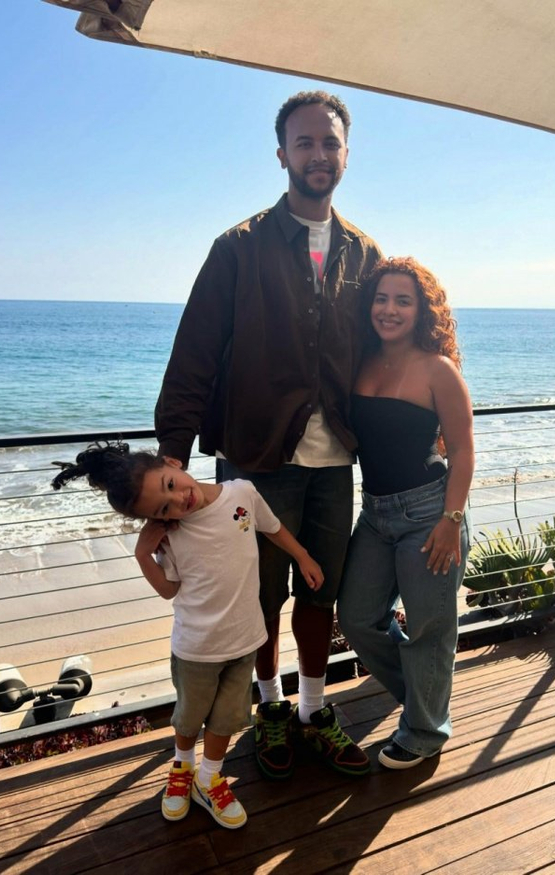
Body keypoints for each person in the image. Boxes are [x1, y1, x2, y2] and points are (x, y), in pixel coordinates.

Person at [155, 91, 382, 779]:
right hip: (254, 456)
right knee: (256, 598)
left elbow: (385, 352)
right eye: (304, 142)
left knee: (320, 591)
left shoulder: (364, 253)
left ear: (346, 154)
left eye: (329, 142)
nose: (318, 154)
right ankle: (271, 707)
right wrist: (172, 461)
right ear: (282, 154)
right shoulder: (238, 247)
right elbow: (194, 354)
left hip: (334, 460)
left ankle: (313, 709)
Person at [51, 441, 323, 828]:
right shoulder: (172, 535)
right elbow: (169, 589)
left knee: (226, 720)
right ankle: (182, 768)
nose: (179, 499)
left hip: (245, 640)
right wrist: (143, 556)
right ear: (156, 519)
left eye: (170, 484)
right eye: (164, 508)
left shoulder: (241, 494)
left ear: (171, 463)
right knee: (189, 719)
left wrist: (303, 556)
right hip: (196, 649)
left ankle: (208, 779)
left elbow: (273, 527)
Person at [337, 257, 474, 770]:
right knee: (356, 618)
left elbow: (463, 452)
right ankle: (424, 697)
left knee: (429, 628)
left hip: (428, 513)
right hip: (374, 513)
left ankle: (424, 730)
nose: (389, 309)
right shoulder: (361, 361)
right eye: (381, 298)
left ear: (422, 310)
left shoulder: (439, 369)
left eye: (402, 300)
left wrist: (451, 522)